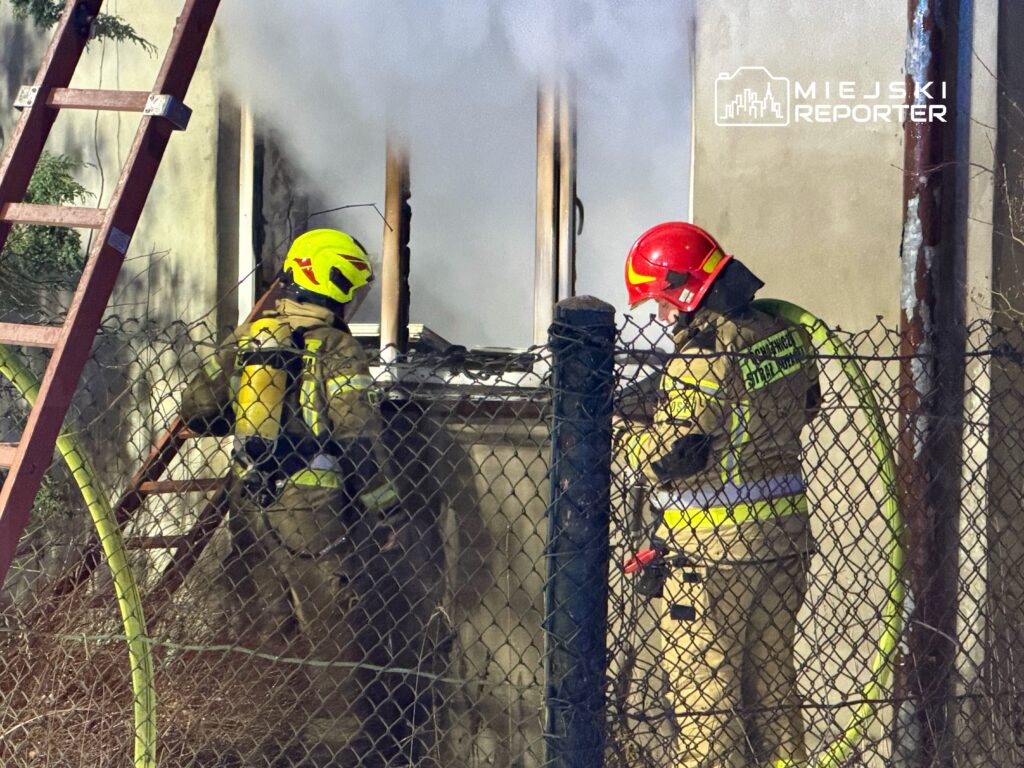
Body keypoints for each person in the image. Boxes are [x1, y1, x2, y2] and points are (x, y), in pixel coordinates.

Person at [179, 228, 401, 755]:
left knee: (262, 626)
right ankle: (331, 753)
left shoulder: (251, 335)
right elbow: (356, 431)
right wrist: (385, 508)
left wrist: (253, 413)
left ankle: (262, 746)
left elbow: (197, 409)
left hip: (248, 500)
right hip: (312, 515)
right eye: (351, 286)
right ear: (334, 283)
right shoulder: (337, 346)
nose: (354, 297)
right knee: (328, 634)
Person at [619, 221, 821, 768]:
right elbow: (805, 407)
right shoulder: (784, 334)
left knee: (706, 704)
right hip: (782, 544)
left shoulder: (704, 352)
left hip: (709, 559)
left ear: (683, 288)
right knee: (774, 694)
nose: (660, 317)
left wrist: (619, 435)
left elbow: (678, 457)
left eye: (660, 301)